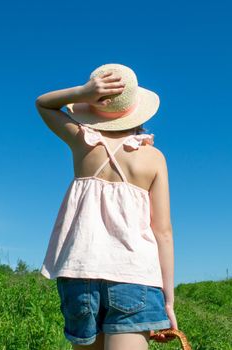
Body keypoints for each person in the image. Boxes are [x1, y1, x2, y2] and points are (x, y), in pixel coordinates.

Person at [35, 63, 177, 350]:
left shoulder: (82, 142)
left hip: (80, 273)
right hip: (134, 275)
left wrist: (84, 92)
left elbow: (44, 105)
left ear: (92, 108)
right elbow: (163, 232)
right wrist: (169, 300)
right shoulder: (153, 158)